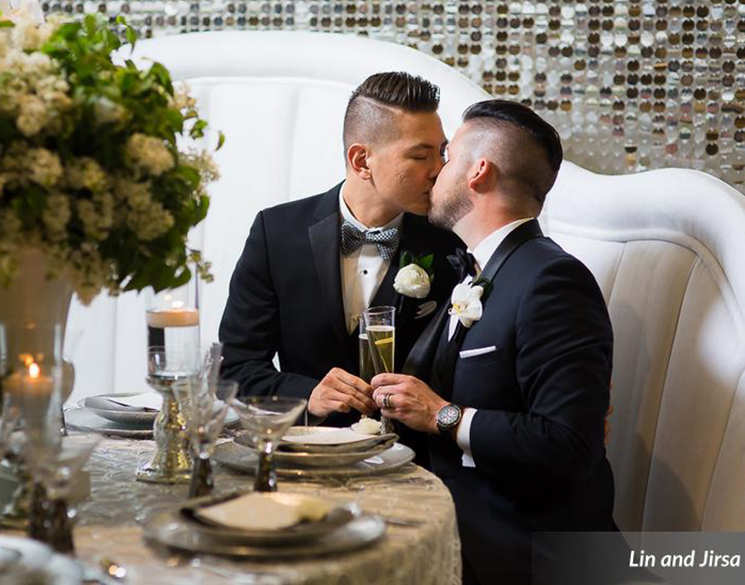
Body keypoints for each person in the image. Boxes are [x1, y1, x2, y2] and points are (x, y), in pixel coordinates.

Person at [370, 100, 617, 584]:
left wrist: (443, 415)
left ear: (478, 171)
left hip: (522, 555)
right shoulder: (482, 271)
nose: (436, 170)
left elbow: (570, 445)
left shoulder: (552, 280)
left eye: (448, 154)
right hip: (451, 530)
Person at [219, 72, 463, 424]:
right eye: (420, 156)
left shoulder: (451, 243)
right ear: (362, 161)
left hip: (413, 458)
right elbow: (235, 369)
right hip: (305, 452)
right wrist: (309, 395)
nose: (438, 170)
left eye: (441, 153)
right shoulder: (276, 234)